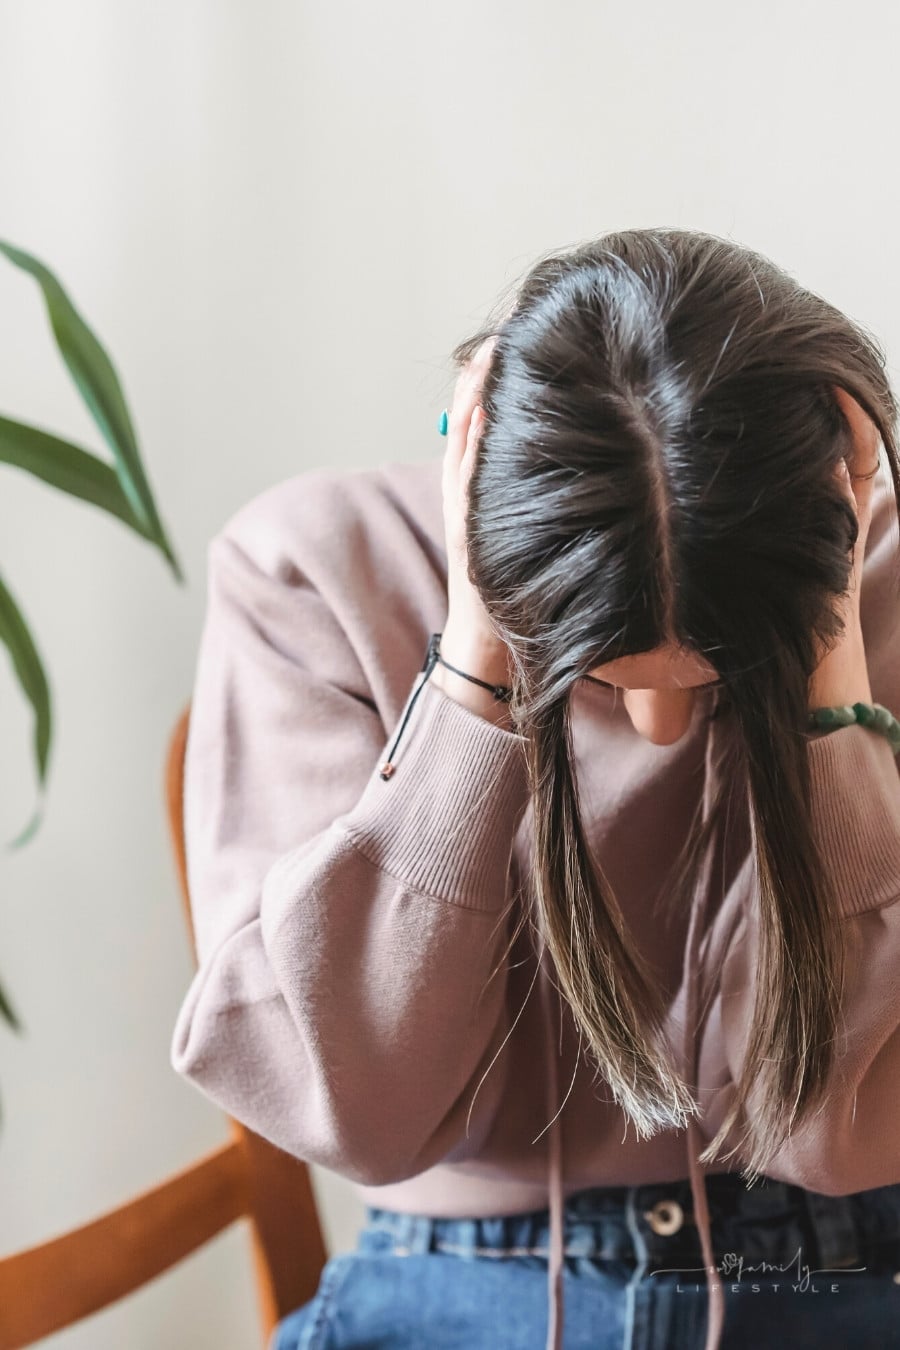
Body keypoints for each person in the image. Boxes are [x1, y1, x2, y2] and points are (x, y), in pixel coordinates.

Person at [169, 228, 900, 1350]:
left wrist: (829, 680)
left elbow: (840, 1130)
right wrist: (476, 669)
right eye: (606, 681)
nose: (658, 724)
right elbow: (361, 1109)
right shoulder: (314, 571)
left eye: (715, 679)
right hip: (458, 1276)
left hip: (844, 1257)